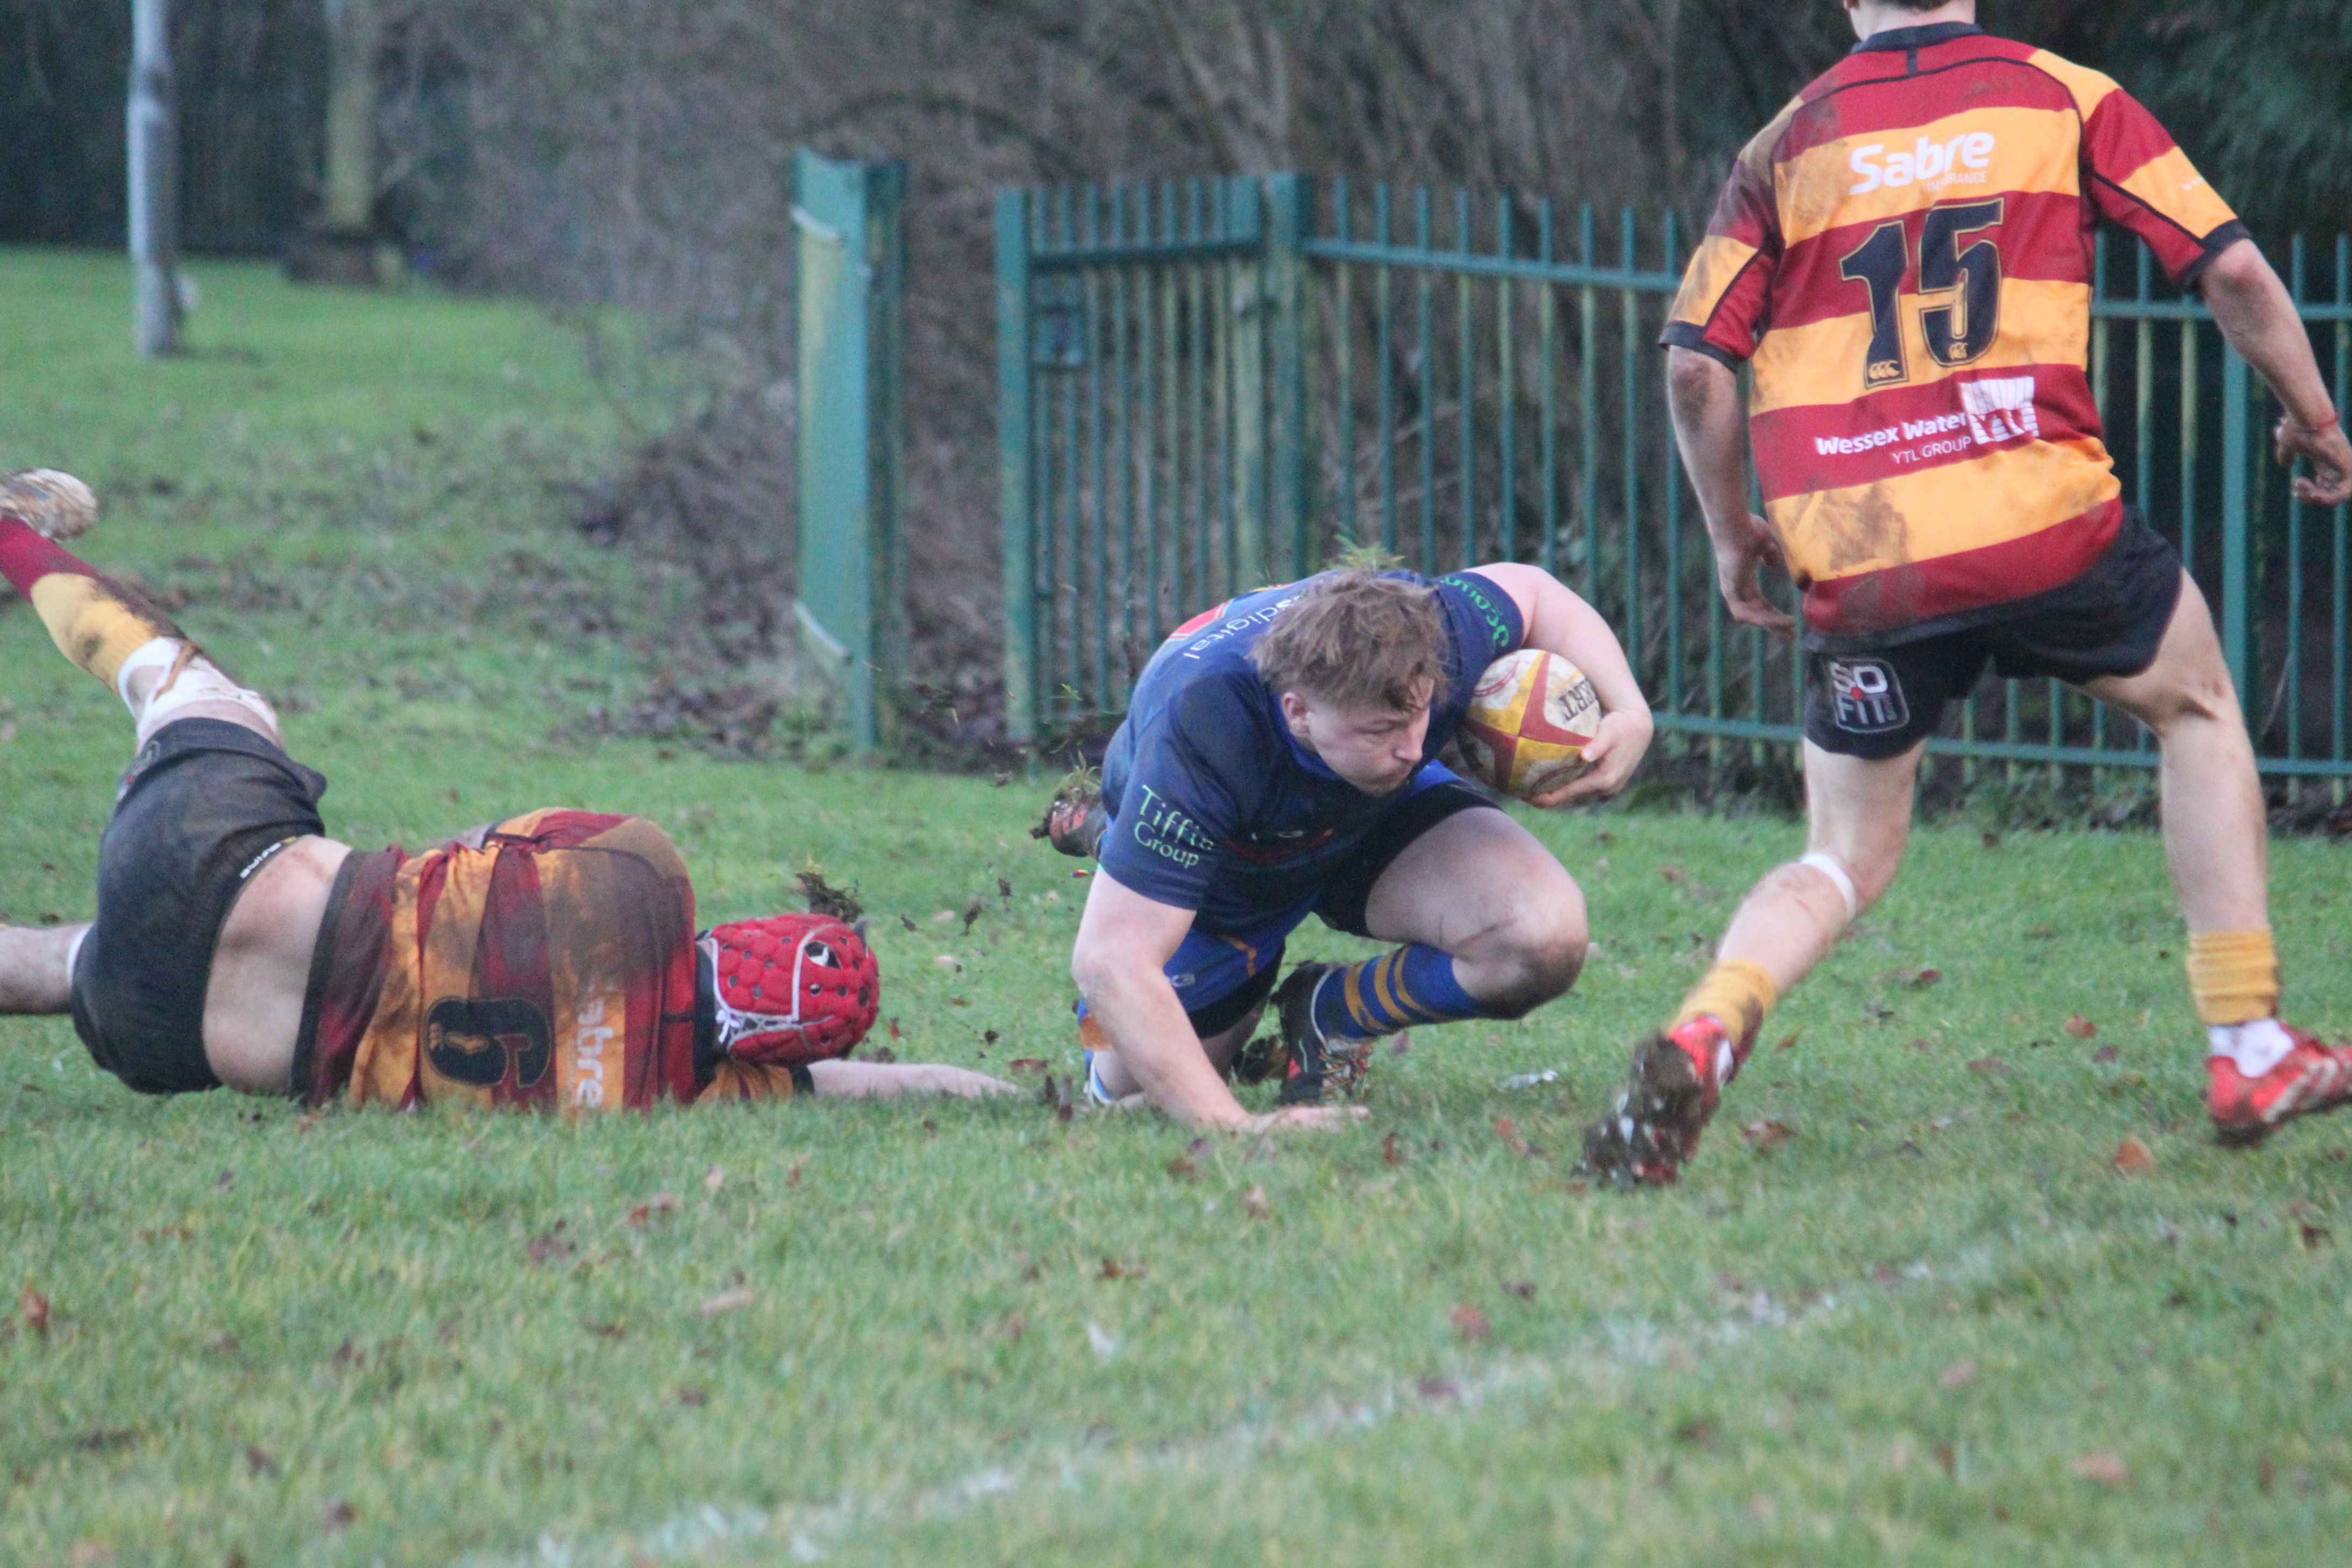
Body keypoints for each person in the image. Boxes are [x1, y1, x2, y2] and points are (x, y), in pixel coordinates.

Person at [1584, 0, 2352, 1184]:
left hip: (1864, 553)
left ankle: (1706, 1026)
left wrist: (1731, 533)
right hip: (2043, 530)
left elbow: (1694, 370)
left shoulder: (1782, 146)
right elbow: (2235, 271)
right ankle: (2244, 1041)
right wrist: (2313, 419)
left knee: (1840, 853)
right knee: (2192, 708)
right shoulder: (2063, 93)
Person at [0, 470, 1010, 1110]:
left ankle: (16, 535)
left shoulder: (638, 872)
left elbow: (472, 849)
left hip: (217, 859)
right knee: (71, 962)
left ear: (746, 935)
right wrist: (1040, 1098)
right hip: (176, 1028)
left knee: (192, 687)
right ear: (771, 1060)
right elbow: (856, 1087)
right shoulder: (663, 1096)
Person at [1049, 563, 1652, 1132]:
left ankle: (1330, 1012)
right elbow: (1110, 961)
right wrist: (1236, 1128)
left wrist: (1630, 710)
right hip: (1229, 875)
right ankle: (1116, 837)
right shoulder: (1204, 732)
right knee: (1139, 1102)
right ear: (1299, 712)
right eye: (1381, 730)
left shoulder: (1436, 632)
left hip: (1370, 811)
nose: (1413, 747)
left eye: (1418, 718)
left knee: (1542, 938)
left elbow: (1535, 592)